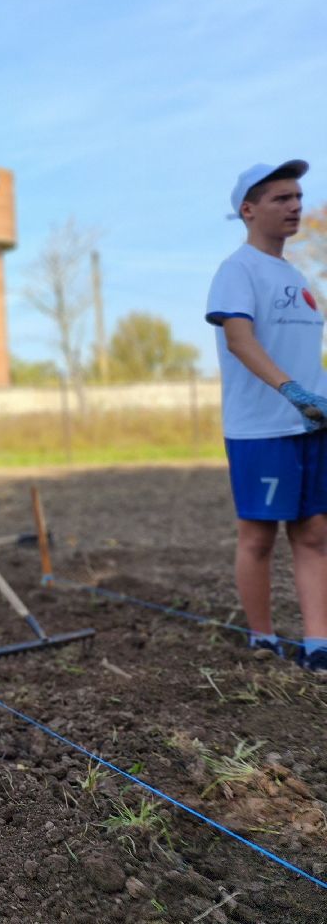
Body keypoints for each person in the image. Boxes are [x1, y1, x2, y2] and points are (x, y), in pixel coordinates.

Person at [206, 159, 327, 674]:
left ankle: (318, 642)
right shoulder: (238, 270)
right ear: (248, 210)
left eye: (298, 196)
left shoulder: (297, 276)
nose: (295, 205)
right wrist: (291, 390)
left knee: (315, 533)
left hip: (312, 425)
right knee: (259, 536)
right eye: (281, 198)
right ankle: (262, 638)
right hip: (262, 428)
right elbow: (239, 339)